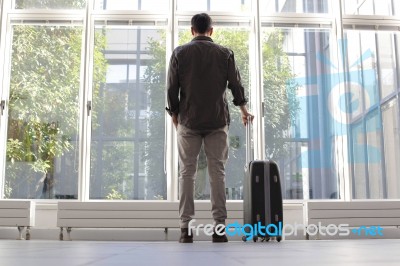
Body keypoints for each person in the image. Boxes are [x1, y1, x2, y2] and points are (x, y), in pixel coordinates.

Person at [166, 13, 254, 243]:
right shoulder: (225, 53)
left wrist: (175, 115)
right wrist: (244, 111)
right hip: (217, 121)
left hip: (189, 120)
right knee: (218, 174)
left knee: (187, 173)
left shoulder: (179, 53)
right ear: (211, 31)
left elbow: (171, 88)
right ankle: (219, 229)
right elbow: (236, 85)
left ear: (192, 30)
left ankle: (186, 229)